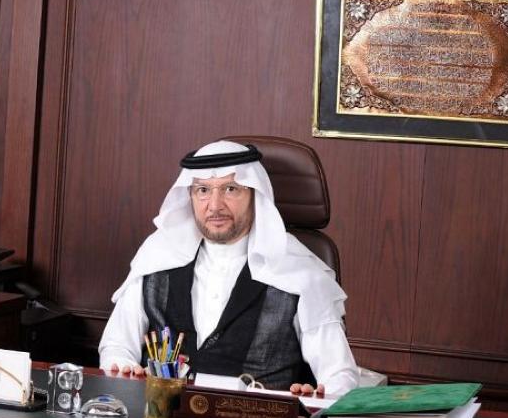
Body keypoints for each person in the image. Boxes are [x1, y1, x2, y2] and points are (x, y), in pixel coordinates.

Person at [98, 139, 359, 395]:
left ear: (254, 194)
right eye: (203, 190)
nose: (215, 206)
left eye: (230, 189)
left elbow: (339, 376)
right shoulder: (157, 256)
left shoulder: (299, 271)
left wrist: (315, 398)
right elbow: (117, 346)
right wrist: (126, 370)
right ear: (190, 195)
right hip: (162, 417)